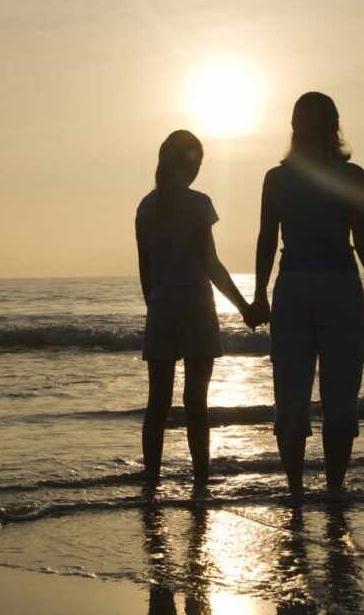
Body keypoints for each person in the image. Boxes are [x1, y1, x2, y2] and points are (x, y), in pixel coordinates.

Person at [251, 92, 364, 498]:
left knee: (291, 393)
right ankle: (334, 489)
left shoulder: (276, 178)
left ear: (294, 127)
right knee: (340, 393)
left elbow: (267, 239)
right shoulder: (351, 176)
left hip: (294, 282)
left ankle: (296, 490)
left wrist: (260, 294)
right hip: (338, 284)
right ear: (335, 126)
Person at [136, 129, 254, 486]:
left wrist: (156, 304)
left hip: (161, 309)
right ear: (188, 164)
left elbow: (145, 271)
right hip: (196, 309)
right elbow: (211, 265)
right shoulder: (199, 204)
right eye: (197, 162)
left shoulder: (145, 206)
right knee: (196, 402)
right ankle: (200, 477)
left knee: (157, 403)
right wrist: (244, 306)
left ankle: (151, 478)